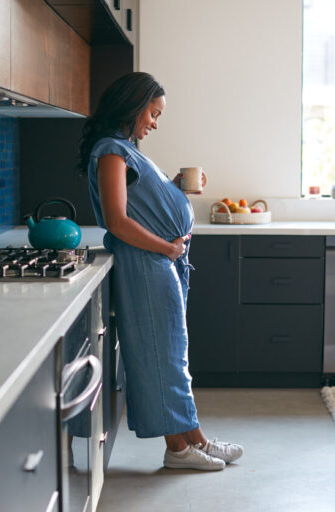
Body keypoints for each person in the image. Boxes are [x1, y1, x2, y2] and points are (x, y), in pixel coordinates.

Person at [79, 72, 243, 471]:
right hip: (147, 262)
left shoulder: (124, 149)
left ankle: (194, 438)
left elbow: (137, 201)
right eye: (153, 113)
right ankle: (178, 449)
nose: (154, 122)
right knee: (160, 355)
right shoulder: (111, 151)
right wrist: (167, 246)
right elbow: (117, 221)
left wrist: (173, 190)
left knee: (171, 354)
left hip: (159, 262)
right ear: (133, 106)